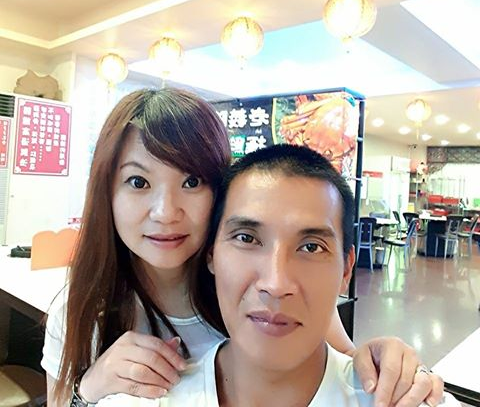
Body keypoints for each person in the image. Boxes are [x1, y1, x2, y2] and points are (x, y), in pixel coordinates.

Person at [42, 88, 443, 406]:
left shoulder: (258, 292)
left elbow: (346, 372)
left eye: (191, 182)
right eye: (138, 182)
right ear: (107, 192)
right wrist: (88, 392)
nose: (164, 212)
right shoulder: (82, 313)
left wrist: (391, 364)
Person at [98, 144, 457, 406]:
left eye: (311, 247)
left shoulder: (403, 400)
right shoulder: (140, 399)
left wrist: (389, 367)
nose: (276, 283)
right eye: (247, 238)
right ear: (211, 254)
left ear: (346, 268)